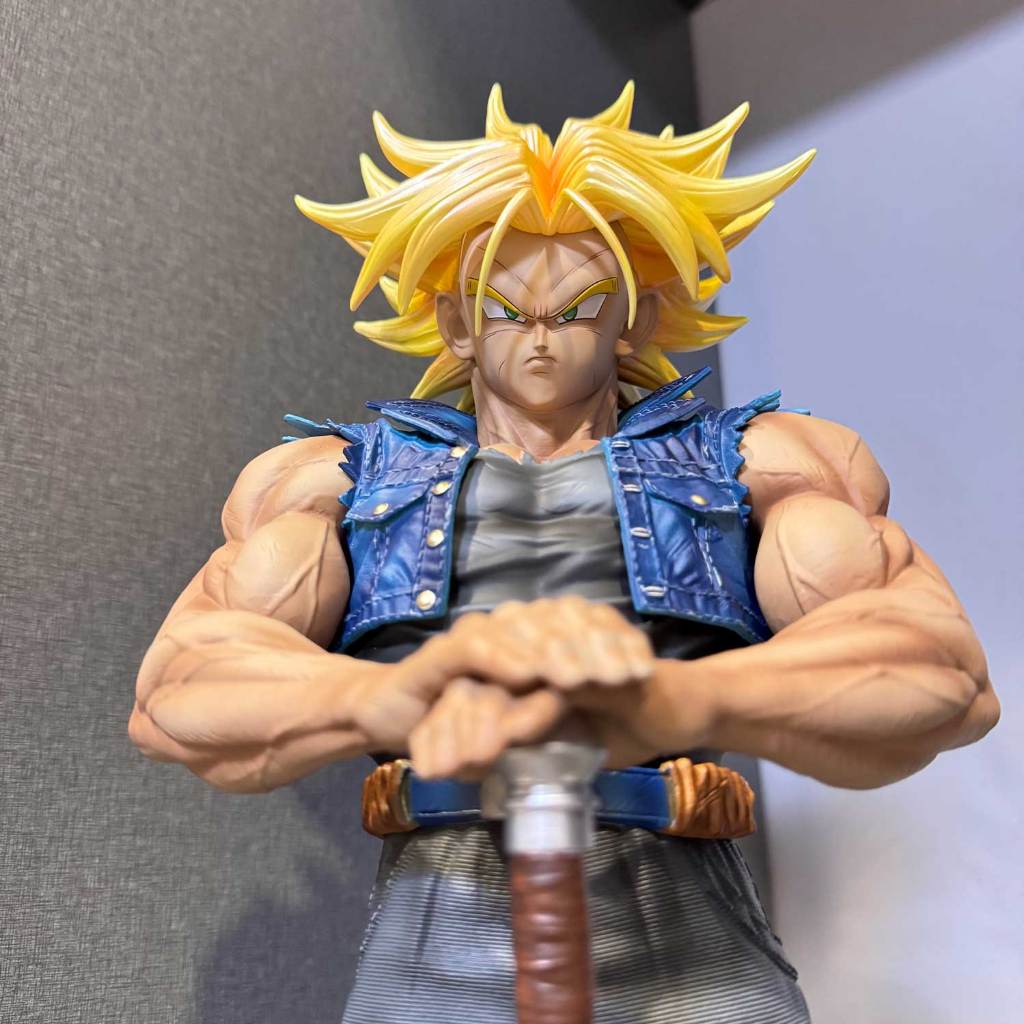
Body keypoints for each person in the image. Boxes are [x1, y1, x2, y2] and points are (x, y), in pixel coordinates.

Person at [129, 84, 999, 1023]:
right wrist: (386, 698)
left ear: (634, 318)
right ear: (456, 323)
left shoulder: (760, 465)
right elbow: (179, 690)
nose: (541, 338)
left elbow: (941, 673)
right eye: (507, 310)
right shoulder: (334, 482)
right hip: (440, 936)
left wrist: (678, 699)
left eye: (578, 308)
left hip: (689, 943)